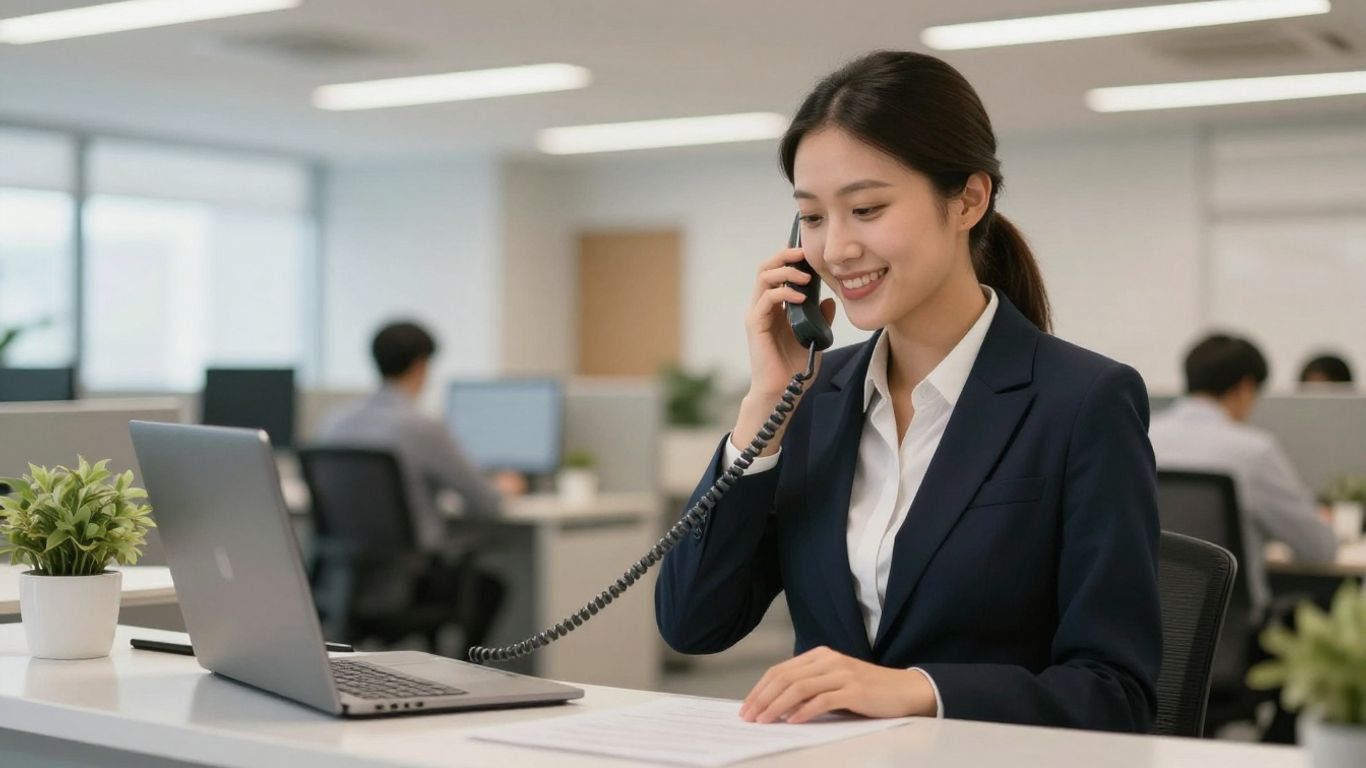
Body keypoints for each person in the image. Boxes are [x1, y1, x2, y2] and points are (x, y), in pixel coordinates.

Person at [655, 51, 1160, 733]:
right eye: (811, 218)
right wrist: (763, 412)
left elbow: (1114, 694)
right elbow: (693, 623)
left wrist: (919, 690)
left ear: (969, 200)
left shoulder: (1083, 402)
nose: (835, 250)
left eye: (866, 208)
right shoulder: (813, 396)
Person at [317, 320, 511, 652]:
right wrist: (507, 485)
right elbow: (486, 503)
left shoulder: (334, 423)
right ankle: (464, 679)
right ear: (421, 365)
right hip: (406, 586)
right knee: (490, 587)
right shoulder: (421, 427)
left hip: (343, 583)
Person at [1150, 334, 1337, 615]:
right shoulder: (1253, 452)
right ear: (1246, 387)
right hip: (1226, 626)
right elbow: (1319, 548)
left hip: (1147, 620)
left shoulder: (1143, 435)